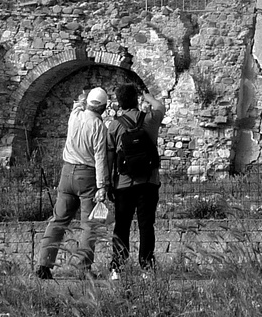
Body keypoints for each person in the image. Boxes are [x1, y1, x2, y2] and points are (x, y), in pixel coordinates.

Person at [34, 86, 112, 280]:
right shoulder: (99, 127)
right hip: (87, 175)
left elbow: (78, 103)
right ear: (103, 107)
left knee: (58, 220)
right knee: (89, 224)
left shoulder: (74, 116)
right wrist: (102, 186)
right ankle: (83, 267)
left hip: (67, 172)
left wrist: (83, 96)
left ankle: (44, 264)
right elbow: (100, 157)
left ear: (87, 103)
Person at [105, 83, 165, 279]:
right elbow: (160, 106)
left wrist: (108, 183)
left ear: (119, 103)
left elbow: (110, 157)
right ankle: (146, 267)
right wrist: (147, 96)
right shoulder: (149, 119)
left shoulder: (115, 125)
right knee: (146, 224)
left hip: (124, 183)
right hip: (149, 181)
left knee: (121, 225)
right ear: (136, 99)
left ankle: (117, 268)